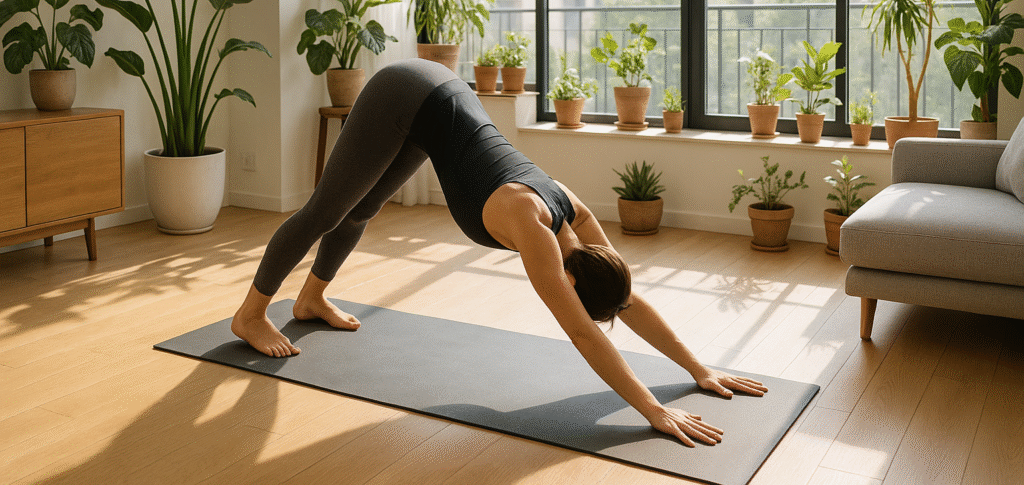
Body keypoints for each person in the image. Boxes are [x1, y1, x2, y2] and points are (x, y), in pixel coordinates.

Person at [231, 58, 766, 447]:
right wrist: (649, 407)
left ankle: (310, 301)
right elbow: (581, 331)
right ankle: (250, 314)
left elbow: (628, 301)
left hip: (443, 102)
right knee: (326, 209)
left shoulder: (580, 221)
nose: (590, 313)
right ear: (574, 281)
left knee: (363, 208)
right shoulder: (535, 230)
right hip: (407, 90)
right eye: (583, 301)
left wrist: (699, 369)